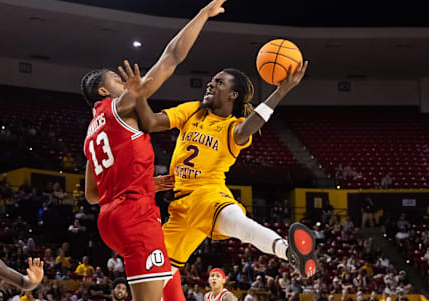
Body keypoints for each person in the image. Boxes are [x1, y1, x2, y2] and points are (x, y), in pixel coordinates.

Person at [80, 2, 238, 301]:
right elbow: (172, 56)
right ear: (104, 90)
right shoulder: (124, 104)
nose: (122, 79)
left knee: (164, 276)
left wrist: (150, 182)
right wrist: (202, 14)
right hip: (134, 215)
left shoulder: (92, 130)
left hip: (110, 217)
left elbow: (93, 194)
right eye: (115, 78)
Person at [126, 35, 315, 282]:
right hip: (180, 209)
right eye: (211, 81)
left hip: (209, 195)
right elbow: (149, 122)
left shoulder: (233, 127)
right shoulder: (192, 110)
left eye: (219, 82)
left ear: (233, 95)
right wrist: (139, 96)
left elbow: (248, 127)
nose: (210, 84)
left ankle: (288, 252)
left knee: (239, 225)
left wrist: (280, 92)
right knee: (152, 280)